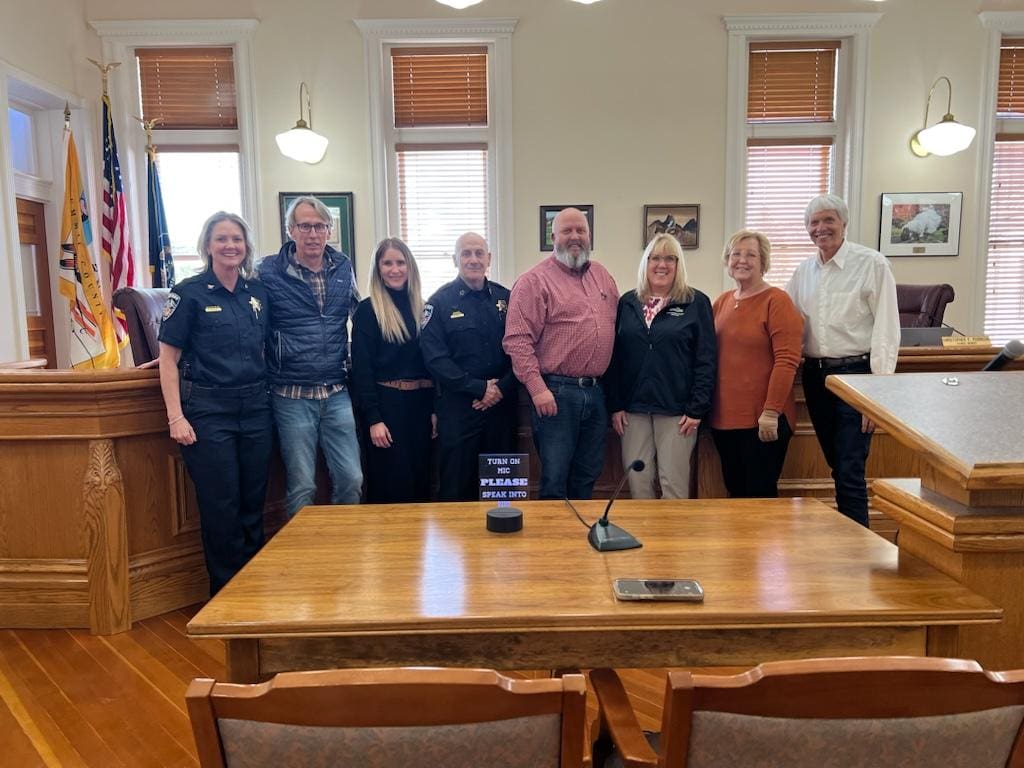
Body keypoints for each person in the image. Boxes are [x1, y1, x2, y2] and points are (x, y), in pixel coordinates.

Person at [157, 211, 272, 595]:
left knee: (254, 501)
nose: (230, 246)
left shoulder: (257, 294)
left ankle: (253, 587)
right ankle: (226, 594)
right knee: (221, 505)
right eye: (222, 239)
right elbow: (168, 359)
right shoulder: (188, 293)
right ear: (207, 245)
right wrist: (176, 417)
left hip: (256, 407)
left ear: (246, 246)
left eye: (237, 239)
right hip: (209, 412)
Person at [786, 194, 900, 526]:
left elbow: (887, 330)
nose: (821, 228)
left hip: (858, 377)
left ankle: (858, 548)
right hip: (816, 377)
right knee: (837, 464)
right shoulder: (803, 272)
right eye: (814, 223)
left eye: (828, 220)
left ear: (844, 224)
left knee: (851, 468)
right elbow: (789, 322)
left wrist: (877, 395)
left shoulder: (872, 264)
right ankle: (850, 535)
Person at [503, 207, 619, 500]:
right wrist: (538, 389)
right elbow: (517, 341)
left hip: (595, 393)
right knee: (555, 478)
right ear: (553, 237)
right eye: (567, 231)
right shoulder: (533, 281)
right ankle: (553, 544)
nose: (575, 237)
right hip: (555, 394)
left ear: (590, 235)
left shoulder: (603, 277)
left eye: (581, 230)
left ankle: (581, 542)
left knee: (589, 473)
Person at [258, 196, 362, 518]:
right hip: (291, 394)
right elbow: (244, 319)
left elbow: (360, 313)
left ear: (329, 230)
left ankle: (343, 549)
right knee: (303, 486)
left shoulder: (342, 265)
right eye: (305, 226)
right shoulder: (266, 271)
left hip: (335, 390)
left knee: (351, 479)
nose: (313, 233)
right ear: (291, 230)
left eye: (320, 226)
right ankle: (300, 559)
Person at [605, 233, 716, 499]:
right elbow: (615, 357)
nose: (662, 264)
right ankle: (646, 540)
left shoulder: (695, 302)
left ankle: (673, 541)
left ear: (679, 265)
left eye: (669, 258)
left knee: (673, 485)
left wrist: (697, 408)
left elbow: (706, 359)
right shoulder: (627, 302)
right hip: (633, 411)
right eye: (655, 258)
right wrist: (616, 404)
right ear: (646, 262)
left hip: (677, 413)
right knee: (638, 482)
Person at [420, 232, 517, 501]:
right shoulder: (438, 303)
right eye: (466, 253)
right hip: (459, 409)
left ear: (489, 259)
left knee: (502, 488)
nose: (473, 259)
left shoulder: (508, 299)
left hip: (502, 407)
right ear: (455, 259)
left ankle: (503, 542)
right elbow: (435, 358)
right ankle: (458, 543)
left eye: (479, 253)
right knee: (456, 487)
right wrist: (478, 389)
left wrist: (499, 390)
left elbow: (521, 349)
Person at [710, 230, 803, 498]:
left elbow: (787, 361)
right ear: (727, 261)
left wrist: (771, 411)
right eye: (735, 254)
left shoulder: (777, 301)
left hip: (763, 422)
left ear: (763, 262)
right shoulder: (723, 302)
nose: (742, 260)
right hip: (725, 421)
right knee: (736, 497)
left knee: (760, 501)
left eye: (751, 254)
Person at [351, 238, 435, 503]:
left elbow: (432, 364)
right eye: (387, 263)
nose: (395, 269)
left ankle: (418, 545)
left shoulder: (424, 308)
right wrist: (374, 419)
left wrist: (435, 410)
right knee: (391, 483)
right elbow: (362, 370)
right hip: (387, 408)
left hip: (421, 406)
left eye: (400, 262)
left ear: (410, 267)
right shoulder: (367, 311)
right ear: (378, 269)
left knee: (421, 481)